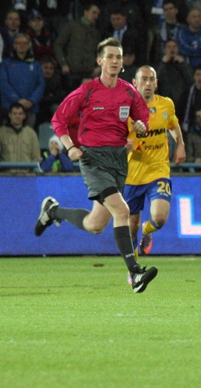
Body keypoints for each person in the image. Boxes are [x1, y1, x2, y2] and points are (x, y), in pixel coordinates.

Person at [34, 38, 159, 293]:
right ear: (100, 60)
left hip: (117, 160)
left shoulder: (127, 91)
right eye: (110, 57)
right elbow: (58, 120)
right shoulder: (87, 91)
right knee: (122, 211)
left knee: (95, 224)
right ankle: (135, 274)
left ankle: (53, 211)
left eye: (118, 57)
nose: (115, 61)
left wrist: (140, 125)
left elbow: (142, 116)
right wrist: (70, 146)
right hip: (92, 159)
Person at [123, 65, 185, 256]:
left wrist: (180, 144)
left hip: (158, 169)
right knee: (131, 225)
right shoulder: (125, 111)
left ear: (156, 83)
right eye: (144, 79)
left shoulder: (166, 105)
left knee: (159, 218)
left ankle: (147, 231)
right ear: (135, 83)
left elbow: (173, 125)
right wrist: (125, 144)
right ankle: (133, 268)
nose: (148, 83)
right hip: (133, 173)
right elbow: (114, 138)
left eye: (151, 79)